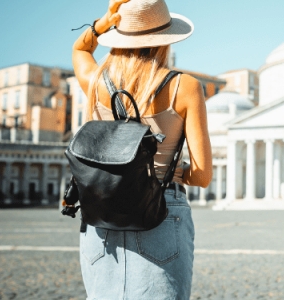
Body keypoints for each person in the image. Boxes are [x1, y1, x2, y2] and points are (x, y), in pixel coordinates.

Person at [70, 0, 212, 298]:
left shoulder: (95, 81)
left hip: (101, 211)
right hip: (160, 209)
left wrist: (106, 22)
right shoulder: (184, 86)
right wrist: (159, 169)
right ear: (165, 41)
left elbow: (80, 49)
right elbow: (201, 176)